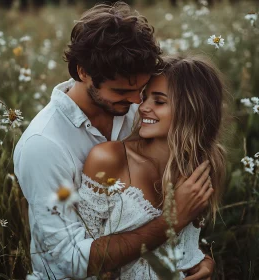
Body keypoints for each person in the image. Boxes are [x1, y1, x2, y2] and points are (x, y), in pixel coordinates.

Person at [13, 2, 215, 279]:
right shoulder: (43, 145)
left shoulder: (141, 113)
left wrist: (196, 257)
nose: (136, 102)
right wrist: (171, 220)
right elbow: (68, 261)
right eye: (122, 91)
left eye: (141, 90)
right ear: (83, 72)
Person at [77, 54, 226, 279]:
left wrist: (204, 261)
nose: (142, 107)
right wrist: (171, 221)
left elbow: (183, 244)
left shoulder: (202, 165)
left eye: (159, 101)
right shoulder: (110, 159)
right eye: (145, 97)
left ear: (192, 109)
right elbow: (83, 257)